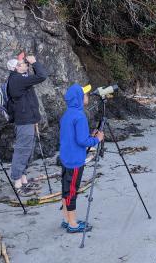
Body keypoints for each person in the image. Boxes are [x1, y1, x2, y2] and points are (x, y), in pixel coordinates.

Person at [59, 83, 104, 233]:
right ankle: (73, 224)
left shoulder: (68, 114)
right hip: (75, 160)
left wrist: (89, 137)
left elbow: (74, 137)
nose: (87, 96)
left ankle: (67, 219)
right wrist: (96, 139)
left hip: (66, 158)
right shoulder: (79, 116)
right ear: (79, 98)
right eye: (85, 94)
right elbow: (82, 141)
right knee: (72, 192)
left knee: (66, 189)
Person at [6, 53, 48, 196]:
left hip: (28, 119)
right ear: (16, 68)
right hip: (24, 121)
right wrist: (35, 62)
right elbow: (42, 76)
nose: (26, 65)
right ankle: (18, 184)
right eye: (23, 63)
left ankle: (23, 180)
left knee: (27, 150)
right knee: (22, 150)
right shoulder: (17, 79)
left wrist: (35, 118)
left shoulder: (20, 78)